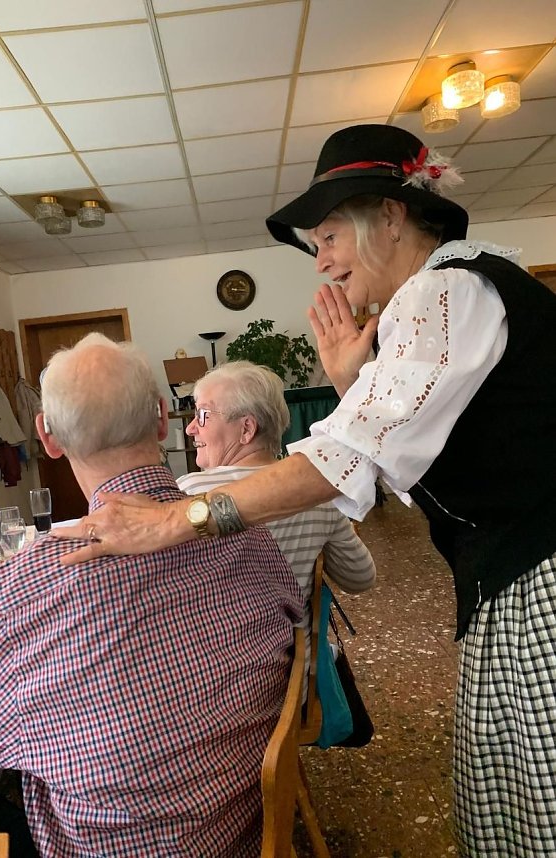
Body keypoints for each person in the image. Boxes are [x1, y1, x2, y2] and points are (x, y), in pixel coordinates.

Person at [53, 124, 556, 857]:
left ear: (390, 215)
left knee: (529, 795)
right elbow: (410, 454)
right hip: (510, 568)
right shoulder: (444, 296)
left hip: (538, 572)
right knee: (506, 789)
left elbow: (345, 458)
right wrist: (352, 380)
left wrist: (173, 521)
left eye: (327, 235)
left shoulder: (443, 290)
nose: (318, 260)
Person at [0, 333, 304, 858]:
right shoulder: (245, 531)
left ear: (47, 437)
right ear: (163, 419)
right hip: (248, 830)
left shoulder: (29, 585)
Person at [177, 359, 376, 684]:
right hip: (297, 689)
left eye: (202, 415)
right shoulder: (314, 492)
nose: (190, 427)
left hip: (217, 691)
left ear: (246, 429)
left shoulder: (189, 494)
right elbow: (361, 577)